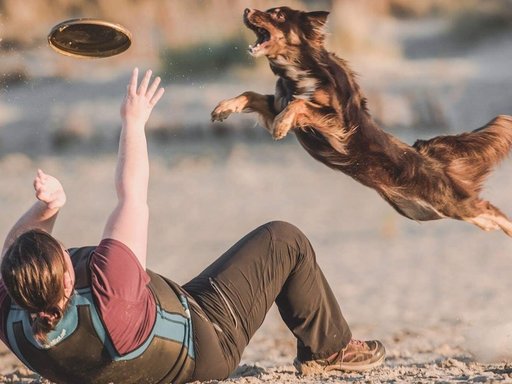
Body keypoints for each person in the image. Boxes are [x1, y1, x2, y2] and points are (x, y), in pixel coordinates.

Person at [0, 68, 385, 384]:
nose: (69, 255)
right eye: (64, 257)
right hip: (206, 344)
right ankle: (331, 350)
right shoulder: (111, 289)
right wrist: (133, 122)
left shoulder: (15, 321)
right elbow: (131, 195)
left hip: (145, 345)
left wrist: (47, 206)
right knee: (285, 241)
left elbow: (15, 252)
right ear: (68, 280)